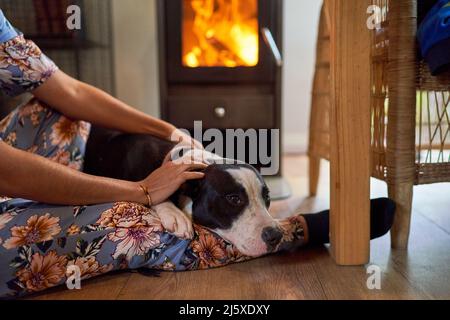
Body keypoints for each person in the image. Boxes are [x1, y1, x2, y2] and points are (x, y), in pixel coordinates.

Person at [0, 9, 394, 299]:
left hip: (35, 146)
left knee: (54, 106)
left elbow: (66, 90)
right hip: (12, 187)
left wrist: (170, 131)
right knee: (135, 228)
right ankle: (300, 231)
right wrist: (143, 193)